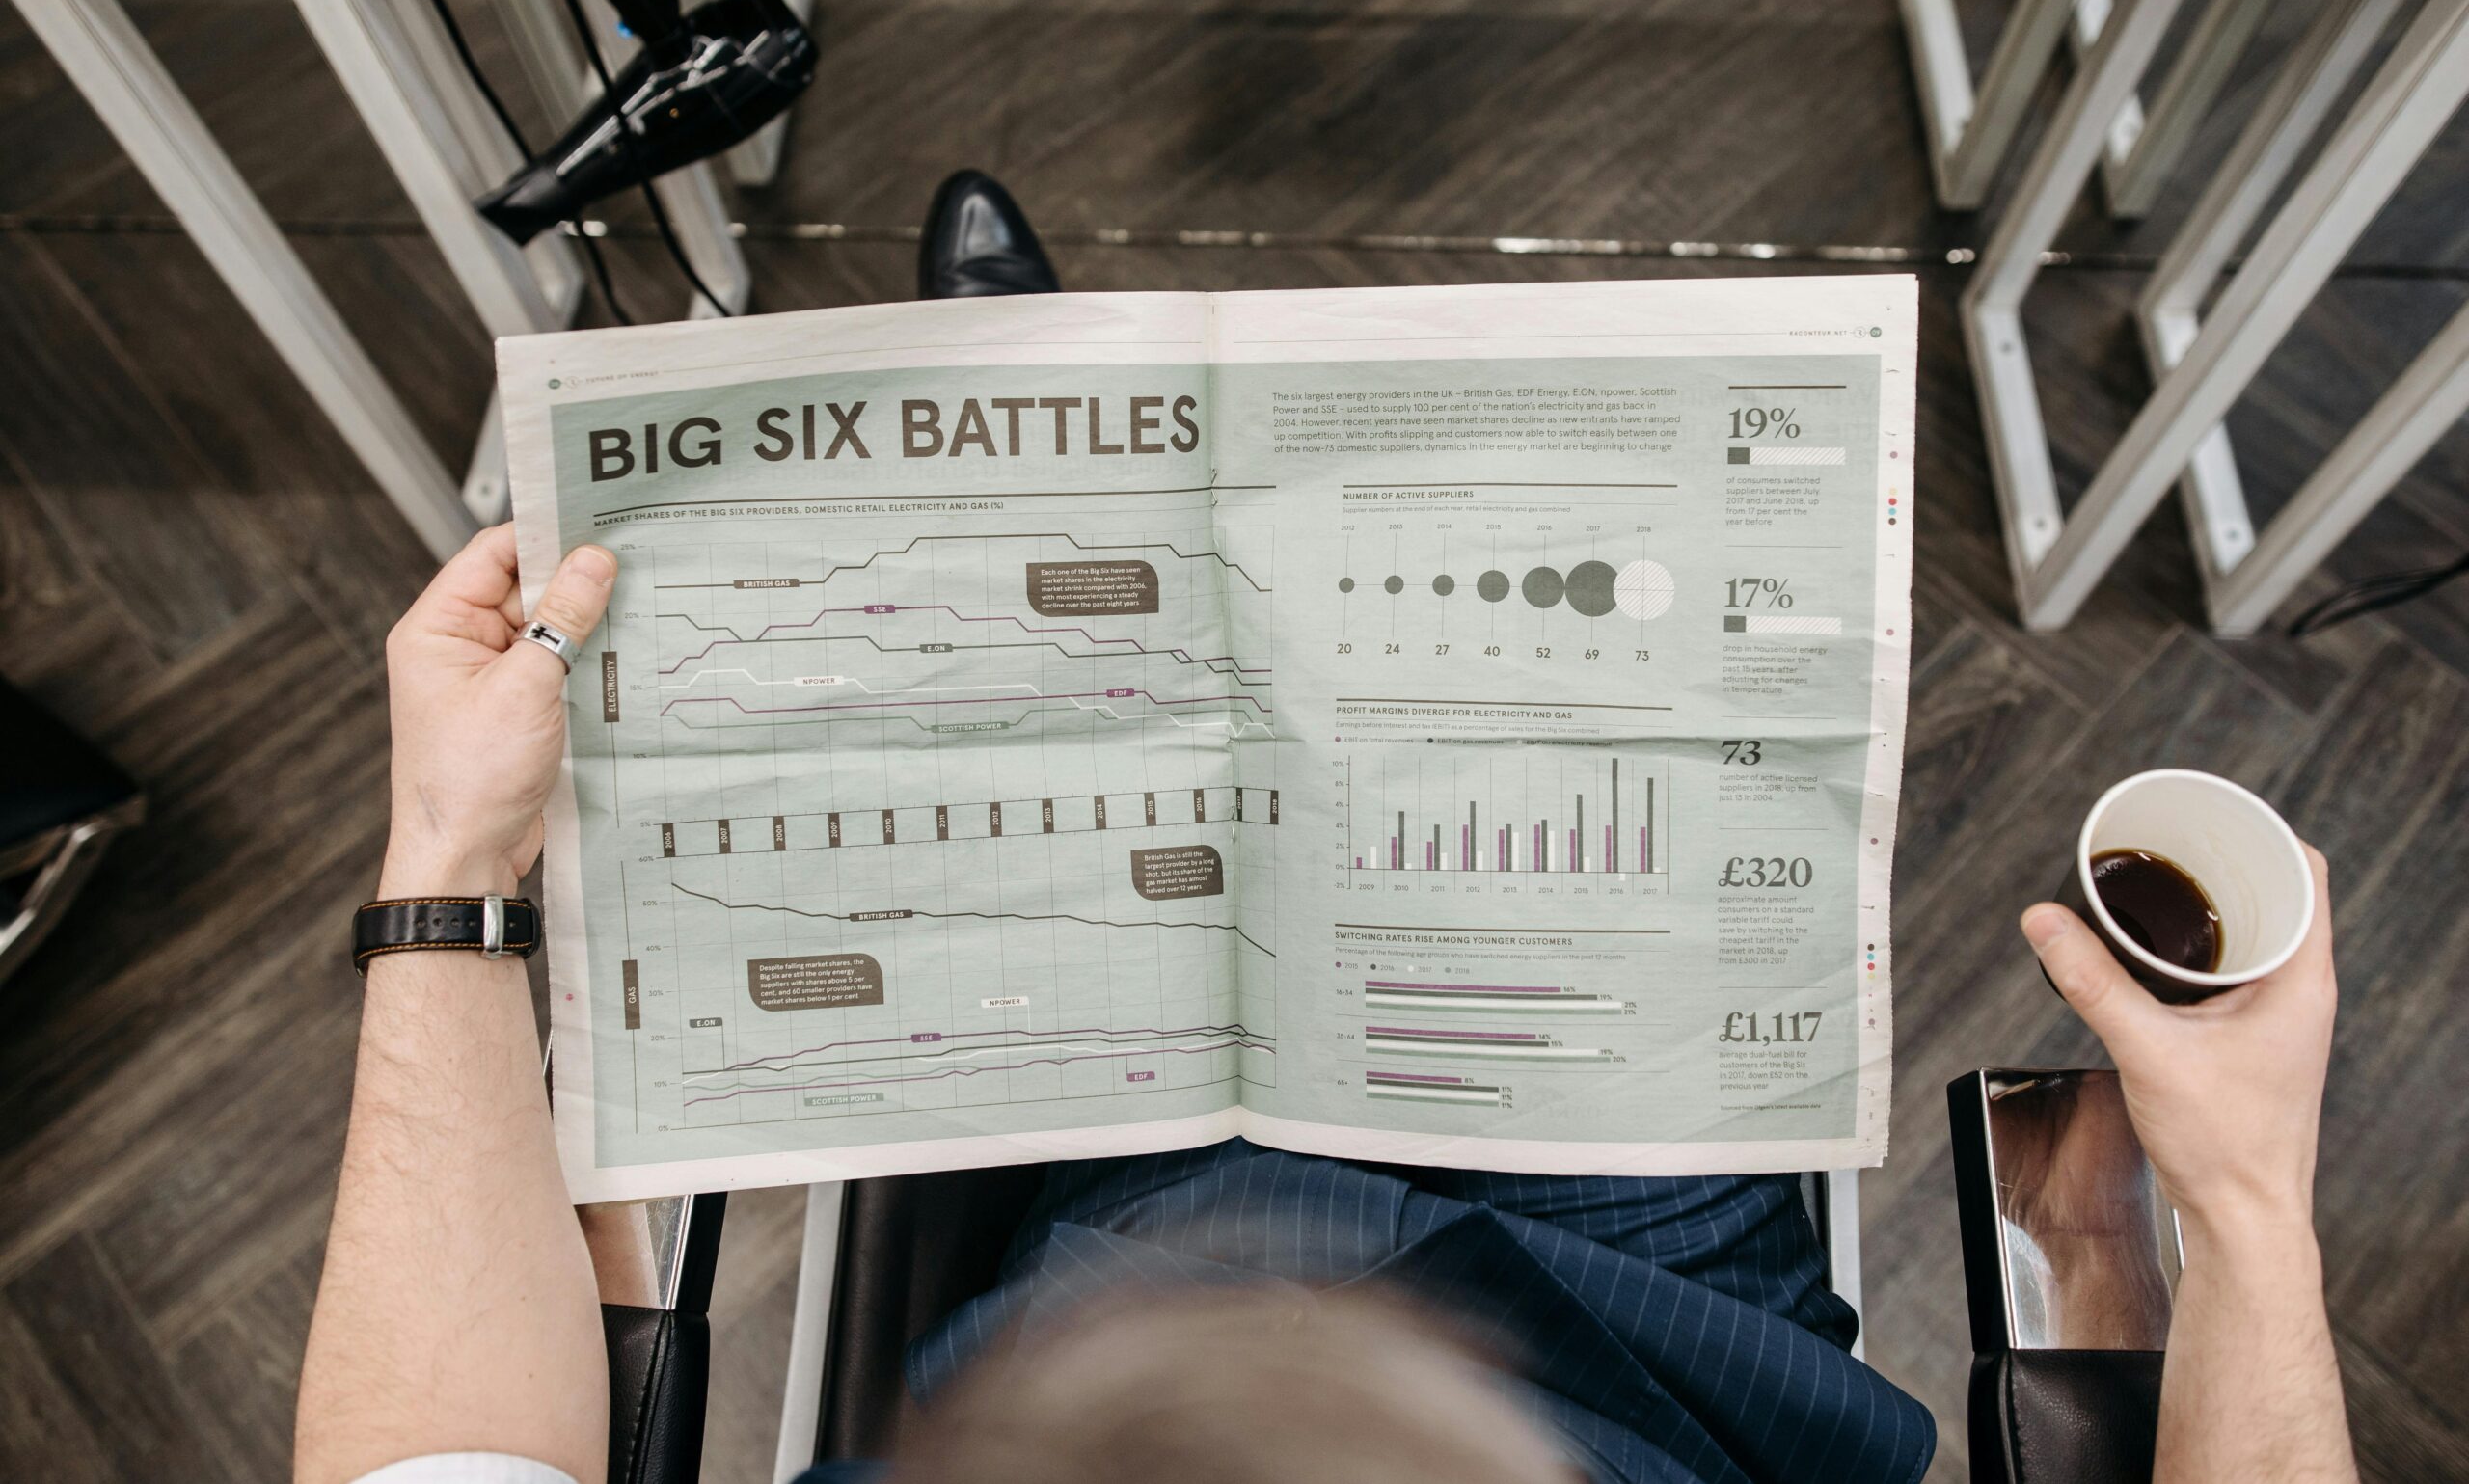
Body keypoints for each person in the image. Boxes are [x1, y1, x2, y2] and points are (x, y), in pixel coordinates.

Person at [291, 175, 2356, 1484]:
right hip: (1619, 1298)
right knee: (1532, 702)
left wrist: (448, 871)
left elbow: (432, 1468)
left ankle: (1061, 454)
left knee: (1104, 720)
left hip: (1095, 1278)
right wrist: (2243, 1211)